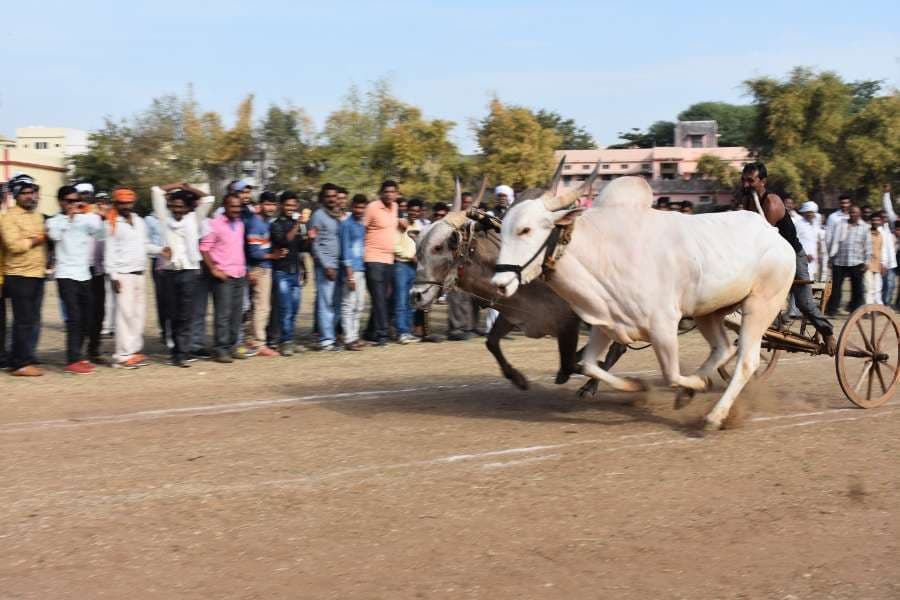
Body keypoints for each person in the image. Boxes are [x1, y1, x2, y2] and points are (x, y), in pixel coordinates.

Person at [740, 162, 835, 353]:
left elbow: (761, 236)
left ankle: (828, 332)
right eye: (743, 180)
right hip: (771, 257)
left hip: (792, 255)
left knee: (804, 303)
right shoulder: (749, 202)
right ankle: (774, 324)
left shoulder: (772, 203)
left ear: (763, 181)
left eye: (750, 181)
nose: (745, 185)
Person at [152, 182, 215, 367]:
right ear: (170, 206)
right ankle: (174, 349)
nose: (178, 210)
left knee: (186, 314)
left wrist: (188, 188)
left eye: (182, 207)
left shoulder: (193, 219)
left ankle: (182, 352)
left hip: (189, 271)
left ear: (188, 207)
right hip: (169, 272)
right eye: (175, 206)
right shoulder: (164, 218)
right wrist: (176, 185)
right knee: (171, 313)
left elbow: (208, 199)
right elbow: (156, 190)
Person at [47, 186, 103, 374]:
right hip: (65, 274)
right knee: (74, 318)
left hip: (84, 274)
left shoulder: (85, 219)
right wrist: (69, 218)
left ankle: (78, 356)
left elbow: (100, 233)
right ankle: (72, 359)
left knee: (87, 319)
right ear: (61, 202)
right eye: (69, 201)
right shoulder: (55, 221)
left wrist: (95, 215)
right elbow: (54, 236)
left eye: (76, 200)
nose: (73, 204)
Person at [104, 188, 160, 368]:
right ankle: (122, 356)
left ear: (133, 203)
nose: (126, 206)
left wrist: (160, 250)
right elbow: (109, 251)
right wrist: (113, 276)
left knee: (138, 315)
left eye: (128, 202)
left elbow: (144, 245)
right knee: (124, 316)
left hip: (139, 273)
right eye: (122, 203)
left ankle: (133, 351)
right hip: (122, 275)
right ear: (116, 203)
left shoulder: (139, 221)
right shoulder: (112, 223)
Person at [0, 175, 48, 376]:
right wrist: (35, 240)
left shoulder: (38, 216)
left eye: (33, 192)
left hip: (37, 274)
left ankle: (22, 357)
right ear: (17, 195)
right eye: (26, 193)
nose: (31, 197)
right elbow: (14, 245)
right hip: (19, 275)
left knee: (32, 319)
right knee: (22, 320)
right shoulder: (7, 217)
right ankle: (20, 364)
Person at [201, 193, 248, 363]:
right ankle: (220, 349)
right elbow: (204, 248)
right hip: (223, 276)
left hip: (239, 274)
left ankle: (231, 346)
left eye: (238, 207)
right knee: (223, 314)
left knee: (236, 313)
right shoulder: (215, 224)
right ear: (225, 206)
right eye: (232, 206)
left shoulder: (240, 224)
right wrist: (213, 269)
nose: (236, 210)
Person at [244, 191, 283, 357]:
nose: (271, 208)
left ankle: (253, 339)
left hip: (263, 267)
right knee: (262, 307)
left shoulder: (266, 222)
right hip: (259, 268)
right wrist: (273, 256)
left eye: (273, 205)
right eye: (267, 204)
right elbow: (254, 252)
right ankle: (260, 343)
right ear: (260, 205)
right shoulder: (256, 223)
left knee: (257, 307)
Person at [270, 191, 308, 356]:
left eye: (293, 205)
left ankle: (289, 339)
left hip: (295, 271)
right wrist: (298, 225)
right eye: (287, 205)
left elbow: (301, 248)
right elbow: (284, 241)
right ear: (281, 206)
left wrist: (310, 238)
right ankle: (285, 341)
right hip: (281, 272)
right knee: (284, 308)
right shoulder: (276, 224)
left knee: (294, 308)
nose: (290, 208)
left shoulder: (298, 224)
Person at [364, 180, 401, 347]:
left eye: (392, 192)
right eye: (386, 191)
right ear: (381, 193)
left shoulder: (395, 208)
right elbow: (361, 229)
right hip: (373, 259)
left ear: (396, 194)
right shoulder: (372, 207)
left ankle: (370, 332)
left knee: (384, 298)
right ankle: (382, 335)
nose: (389, 194)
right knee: (379, 298)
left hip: (389, 260)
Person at [308, 183, 344, 351]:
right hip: (326, 267)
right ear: (323, 198)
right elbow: (313, 244)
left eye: (334, 196)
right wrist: (325, 266)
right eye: (328, 196)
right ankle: (326, 340)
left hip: (339, 265)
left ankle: (331, 335)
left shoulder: (337, 215)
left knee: (336, 304)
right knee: (325, 304)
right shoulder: (318, 216)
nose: (332, 199)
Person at [826, 206, 871, 315]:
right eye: (851, 212)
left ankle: (855, 310)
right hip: (839, 260)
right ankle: (832, 310)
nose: (853, 214)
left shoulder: (864, 227)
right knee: (836, 287)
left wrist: (867, 261)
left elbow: (868, 246)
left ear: (859, 214)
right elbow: (833, 240)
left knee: (857, 288)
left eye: (855, 213)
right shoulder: (841, 224)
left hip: (856, 261)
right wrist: (831, 257)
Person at [340, 194, 368, 351]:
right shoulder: (346, 225)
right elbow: (345, 250)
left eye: (362, 207)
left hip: (361, 268)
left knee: (359, 305)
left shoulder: (361, 224)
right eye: (357, 207)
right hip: (350, 271)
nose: (359, 210)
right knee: (348, 304)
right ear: (352, 207)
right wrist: (349, 274)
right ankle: (348, 339)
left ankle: (355, 336)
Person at [393, 200, 420, 344]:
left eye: (417, 211)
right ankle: (401, 332)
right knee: (401, 300)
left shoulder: (419, 226)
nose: (414, 213)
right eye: (412, 211)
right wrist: (410, 257)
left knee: (411, 301)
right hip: (401, 266)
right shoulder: (401, 225)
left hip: (414, 268)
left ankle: (408, 332)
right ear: (407, 210)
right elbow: (394, 246)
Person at [795, 201, 823, 283]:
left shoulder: (815, 224)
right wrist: (805, 255)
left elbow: (815, 241)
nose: (812, 215)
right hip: (802, 258)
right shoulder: (798, 224)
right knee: (801, 282)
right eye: (810, 212)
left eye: (813, 213)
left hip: (814, 260)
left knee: (811, 282)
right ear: (805, 212)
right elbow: (795, 241)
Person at [864, 213, 886, 305]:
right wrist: (865, 262)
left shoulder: (881, 234)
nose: (875, 222)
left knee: (878, 288)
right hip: (868, 264)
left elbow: (882, 249)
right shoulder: (866, 233)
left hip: (878, 264)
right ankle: (868, 309)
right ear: (871, 221)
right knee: (869, 287)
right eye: (873, 220)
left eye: (877, 220)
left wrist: (883, 263)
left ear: (880, 221)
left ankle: (878, 307)